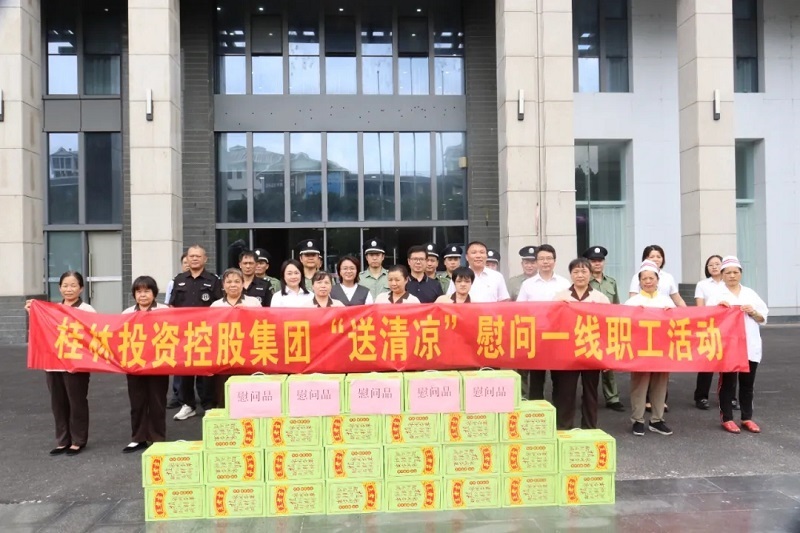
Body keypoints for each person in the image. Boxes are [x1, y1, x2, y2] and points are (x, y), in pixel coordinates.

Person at [25, 271, 95, 456]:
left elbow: (94, 334)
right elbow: (40, 332)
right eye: (65, 285)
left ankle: (78, 440)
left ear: (81, 288)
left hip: (76, 364)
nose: (68, 289)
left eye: (73, 285)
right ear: (59, 288)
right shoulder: (52, 309)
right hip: (53, 362)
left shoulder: (87, 309)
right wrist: (33, 313)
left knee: (77, 402)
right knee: (58, 403)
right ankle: (63, 440)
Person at [708, 256, 768, 434]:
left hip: (750, 345)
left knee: (747, 384)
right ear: (722, 275)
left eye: (735, 272)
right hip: (728, 347)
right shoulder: (717, 295)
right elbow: (707, 319)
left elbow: (762, 317)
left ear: (741, 273)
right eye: (728, 273)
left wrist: (753, 312)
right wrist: (718, 309)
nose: (732, 276)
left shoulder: (750, 294)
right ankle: (727, 418)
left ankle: (747, 417)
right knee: (728, 383)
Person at [551, 258, 611, 430]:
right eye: (576, 272)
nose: (580, 275)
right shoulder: (560, 297)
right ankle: (564, 427)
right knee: (566, 392)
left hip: (592, 350)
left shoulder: (600, 298)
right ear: (570, 275)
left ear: (590, 274)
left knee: (591, 392)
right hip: (567, 353)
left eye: (584, 271)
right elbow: (553, 323)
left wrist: (607, 356)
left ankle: (589, 427)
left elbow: (607, 327)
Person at [170, 245, 222, 421]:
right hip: (184, 334)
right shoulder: (179, 280)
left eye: (198, 256)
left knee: (206, 372)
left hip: (206, 333)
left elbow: (218, 305)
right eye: (191, 256)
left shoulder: (213, 280)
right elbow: (172, 306)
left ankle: (208, 405)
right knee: (185, 370)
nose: (194, 259)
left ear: (205, 259)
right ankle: (188, 404)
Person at [625, 260, 675, 436]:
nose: (647, 281)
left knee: (660, 385)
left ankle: (657, 419)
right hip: (640, 351)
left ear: (657, 280)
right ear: (639, 281)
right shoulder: (632, 302)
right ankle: (637, 420)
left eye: (651, 278)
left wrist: (671, 313)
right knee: (639, 386)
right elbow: (623, 324)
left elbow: (678, 323)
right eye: (644, 278)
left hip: (662, 350)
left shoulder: (666, 301)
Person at [121, 276, 170, 454]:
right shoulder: (127, 313)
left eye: (147, 291)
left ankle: (157, 437)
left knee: (157, 401)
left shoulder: (164, 311)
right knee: (137, 402)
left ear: (154, 293)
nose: (143, 295)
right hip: (135, 364)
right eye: (139, 291)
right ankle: (138, 438)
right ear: (134, 294)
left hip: (159, 363)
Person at [516, 244, 569, 400]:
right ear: (537, 261)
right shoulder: (527, 284)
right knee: (536, 378)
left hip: (557, 336)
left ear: (555, 261)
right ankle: (536, 410)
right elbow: (520, 309)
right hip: (536, 336)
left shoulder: (565, 283)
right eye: (542, 259)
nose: (545, 262)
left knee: (559, 377)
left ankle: (559, 410)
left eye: (549, 258)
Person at [583, 246, 625, 412]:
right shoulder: (584, 282)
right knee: (590, 364)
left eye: (600, 260)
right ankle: (589, 398)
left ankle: (612, 398)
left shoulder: (611, 282)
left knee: (609, 364)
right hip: (589, 328)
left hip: (608, 328)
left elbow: (616, 305)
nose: (597, 263)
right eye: (593, 261)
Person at [693, 255, 727, 411]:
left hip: (727, 327)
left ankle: (729, 397)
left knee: (728, 363)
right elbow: (700, 308)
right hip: (709, 327)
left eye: (717, 264)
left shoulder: (729, 283)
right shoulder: (702, 285)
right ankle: (701, 396)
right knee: (707, 363)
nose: (714, 267)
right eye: (710, 265)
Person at [164, 252, 189, 410]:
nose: (188, 264)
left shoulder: (210, 280)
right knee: (180, 362)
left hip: (203, 330)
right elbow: (169, 305)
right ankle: (178, 395)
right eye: (185, 262)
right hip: (180, 329)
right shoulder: (175, 282)